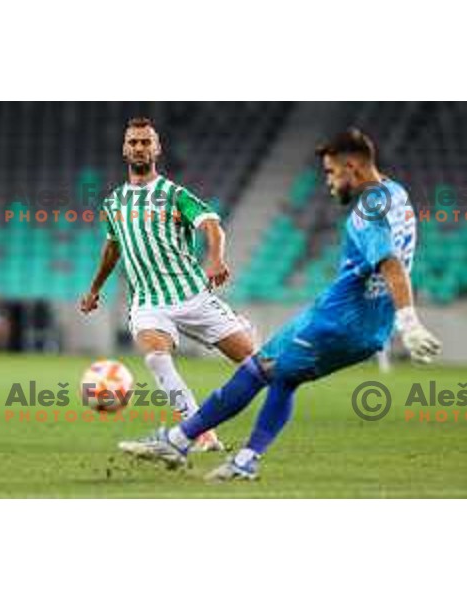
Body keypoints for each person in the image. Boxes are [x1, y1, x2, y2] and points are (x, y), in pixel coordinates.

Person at [118, 128, 442, 479]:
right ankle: (241, 459)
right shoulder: (398, 194)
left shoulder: (368, 210)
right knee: (283, 379)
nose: (330, 183)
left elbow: (389, 262)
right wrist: (399, 322)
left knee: (258, 370)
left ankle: (180, 440)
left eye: (332, 172)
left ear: (353, 167)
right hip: (372, 332)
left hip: (336, 320)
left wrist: (409, 321)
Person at [80, 117, 256, 451]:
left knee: (255, 363)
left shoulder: (174, 195)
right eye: (133, 142)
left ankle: (242, 330)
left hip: (192, 296)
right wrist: (94, 289)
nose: (139, 147)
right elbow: (113, 247)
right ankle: (202, 434)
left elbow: (212, 225)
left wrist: (216, 258)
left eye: (146, 142)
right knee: (156, 359)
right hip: (147, 302)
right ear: (124, 149)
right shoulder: (114, 202)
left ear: (157, 148)